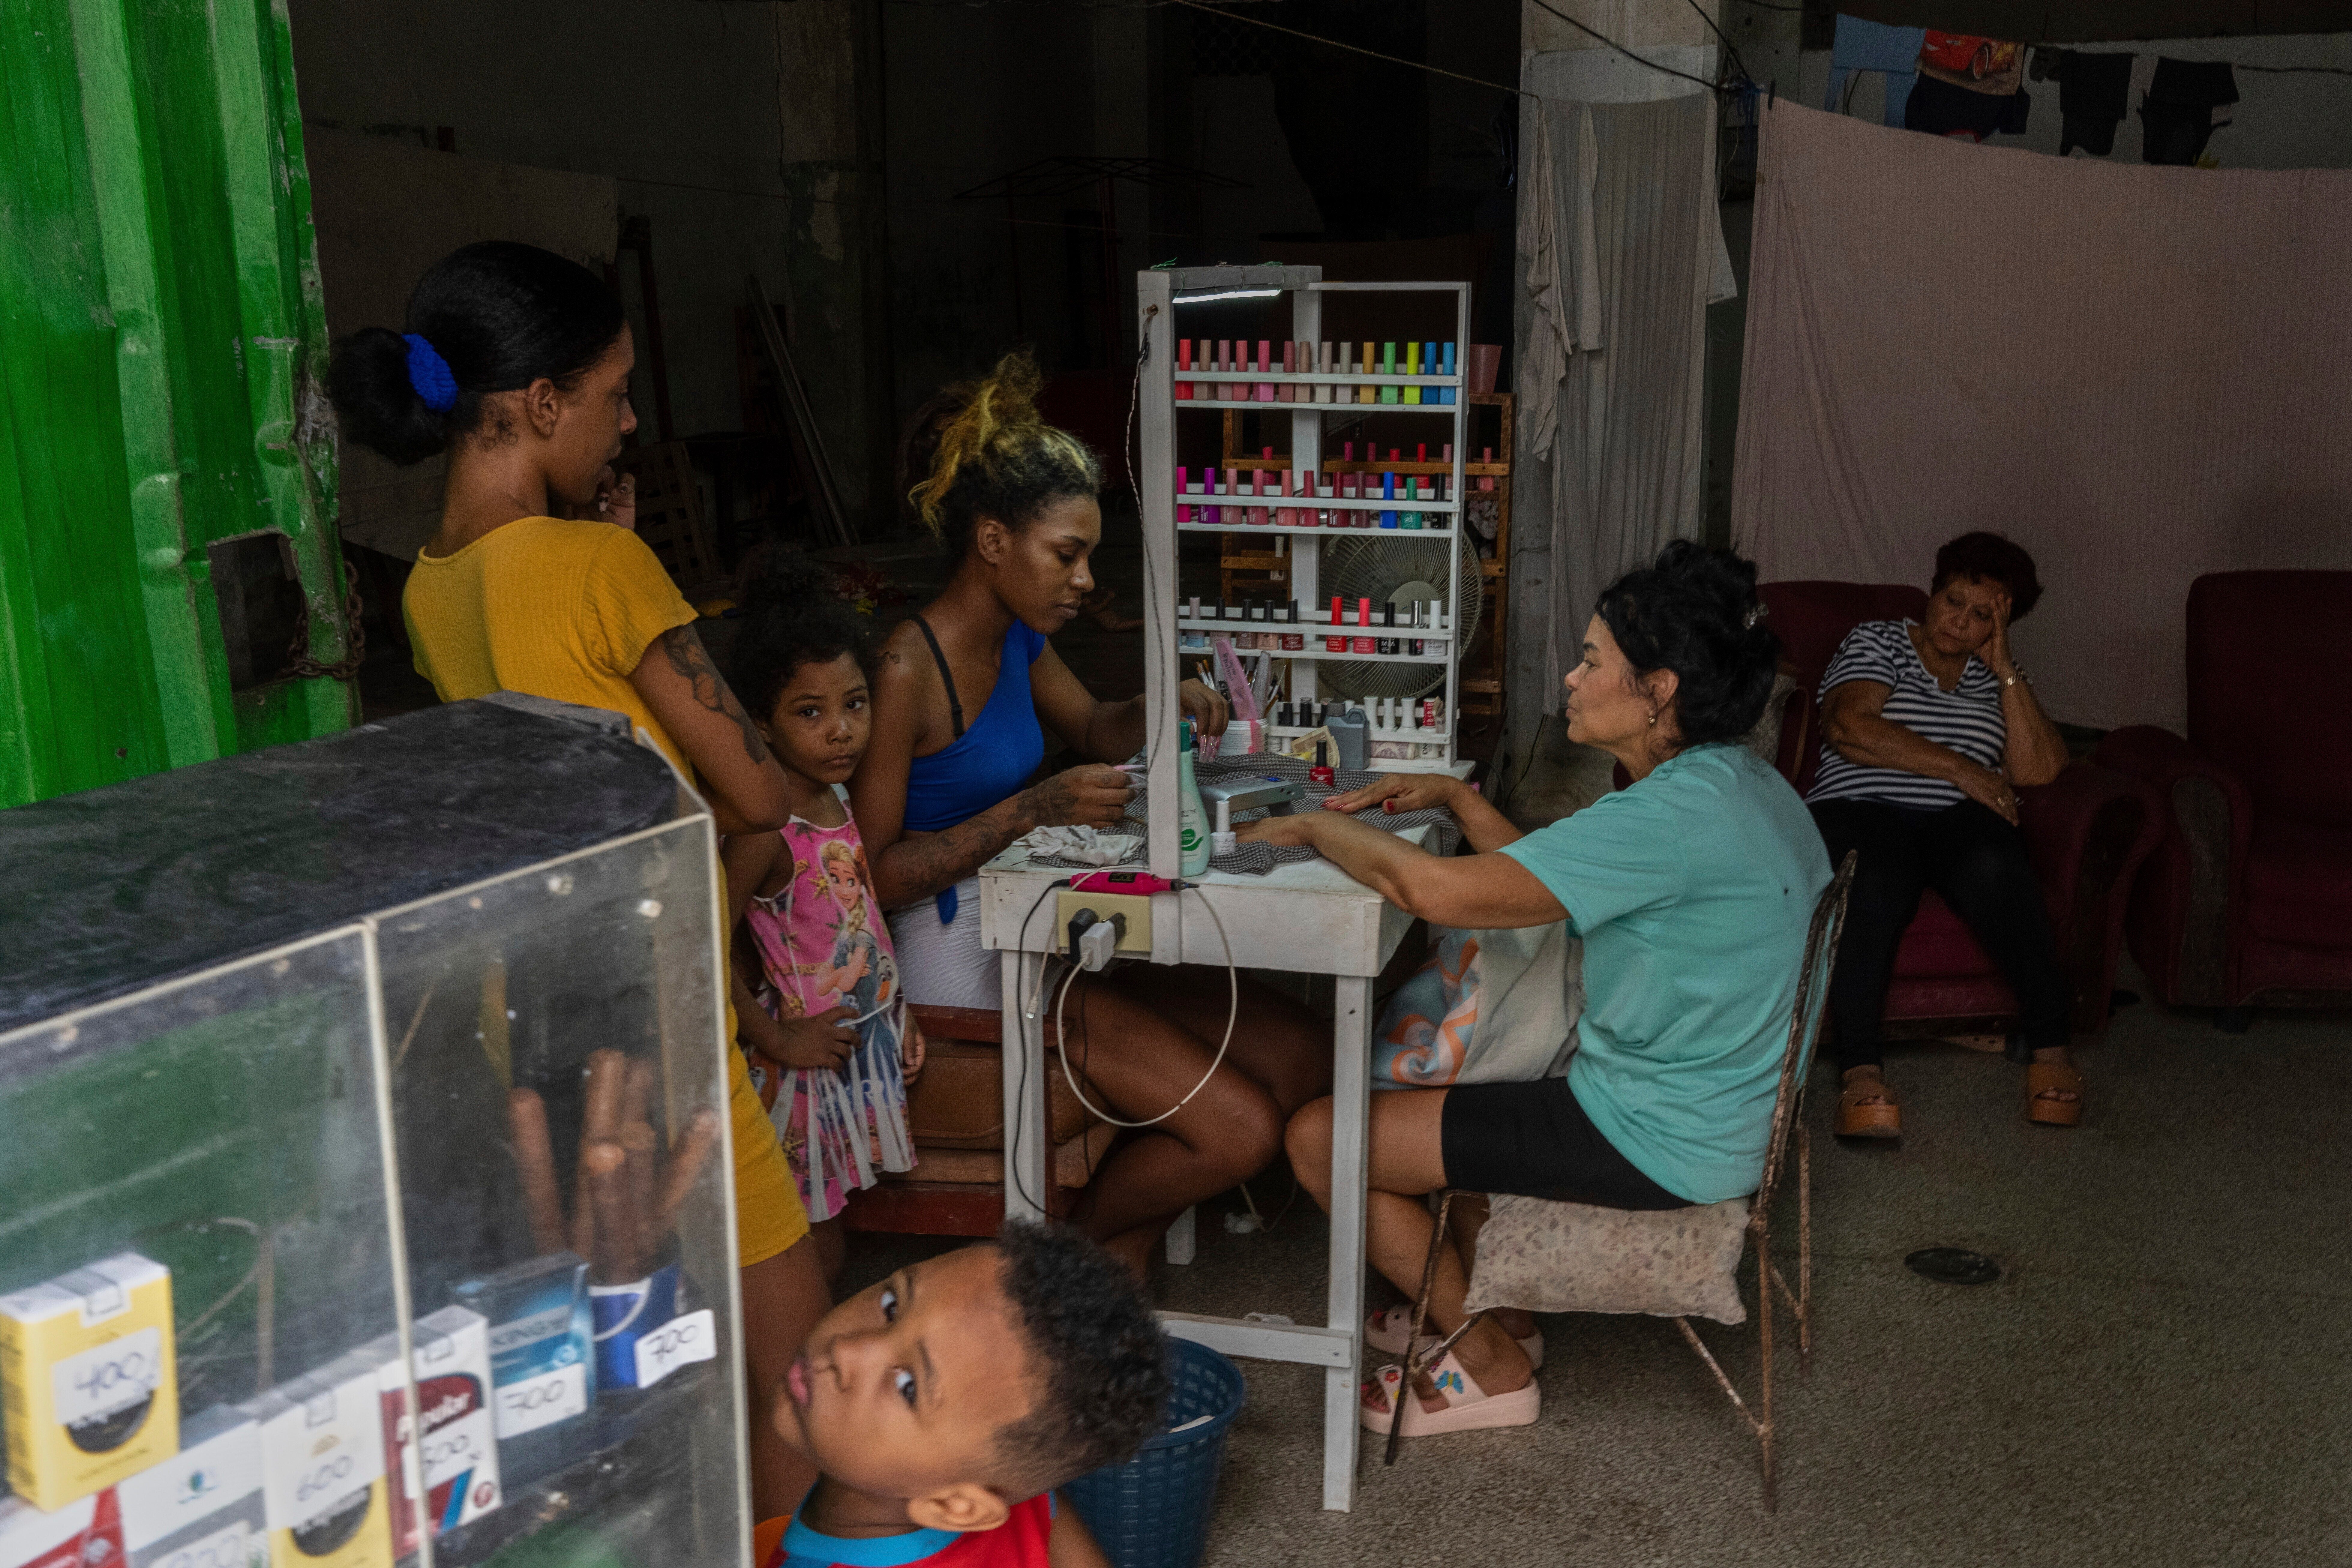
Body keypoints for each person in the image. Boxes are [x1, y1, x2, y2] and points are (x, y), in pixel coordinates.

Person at [326, 240, 829, 1516]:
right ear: (540, 404)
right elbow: (762, 792)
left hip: (538, 1020)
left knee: (630, 1354)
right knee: (801, 1376)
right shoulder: (604, 566)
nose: (631, 419)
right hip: (658, 1014)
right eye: (612, 394)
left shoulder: (432, 589)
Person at [1244, 542, 1830, 1439]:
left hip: (1659, 1134)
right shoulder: (1739, 782)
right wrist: (1455, 798)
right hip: (1726, 1109)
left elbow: (1425, 892)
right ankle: (1493, 1308)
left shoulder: (1662, 819)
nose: (1572, 674)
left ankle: (1492, 1360)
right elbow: (1555, 880)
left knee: (1322, 1138)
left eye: (1594, 660)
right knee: (1472, 1092)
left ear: (1659, 689)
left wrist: (1320, 823)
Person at [850, 352, 1330, 1277]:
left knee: (1299, 1050)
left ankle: (1115, 1253)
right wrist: (1029, 811)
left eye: (1086, 556)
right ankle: (1067, 1269)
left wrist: (1163, 700)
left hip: (1034, 921)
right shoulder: (907, 668)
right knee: (1240, 1128)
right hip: (950, 954)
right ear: (993, 541)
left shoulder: (1020, 637)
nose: (1082, 579)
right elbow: (867, 875)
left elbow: (1096, 724)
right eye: (1064, 555)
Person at [1806, 531, 2079, 1137]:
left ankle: (2051, 1048)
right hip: (1860, 803)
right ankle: (1859, 1069)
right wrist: (1963, 769)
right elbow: (1849, 726)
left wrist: (2005, 669)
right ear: (1930, 593)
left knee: (1994, 863)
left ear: (2000, 626)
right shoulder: (1879, 641)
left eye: (1982, 614)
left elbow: (2038, 769)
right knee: (1875, 876)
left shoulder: (1997, 681)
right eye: (1953, 600)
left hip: (1953, 820)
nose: (1960, 621)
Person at [724, 553, 929, 1285]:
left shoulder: (836, 800)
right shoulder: (765, 824)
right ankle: (803, 1355)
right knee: (811, 1227)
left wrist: (897, 1008)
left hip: (855, 1047)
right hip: (804, 1064)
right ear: (762, 725)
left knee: (837, 1211)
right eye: (809, 712)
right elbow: (701, 948)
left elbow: (859, 915)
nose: (840, 731)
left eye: (854, 703)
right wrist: (778, 1037)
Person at [761, 1221, 1167, 1568]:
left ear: (956, 1506)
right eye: (891, 1305)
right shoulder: (1015, 1490)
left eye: (909, 1388)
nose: (846, 1349)